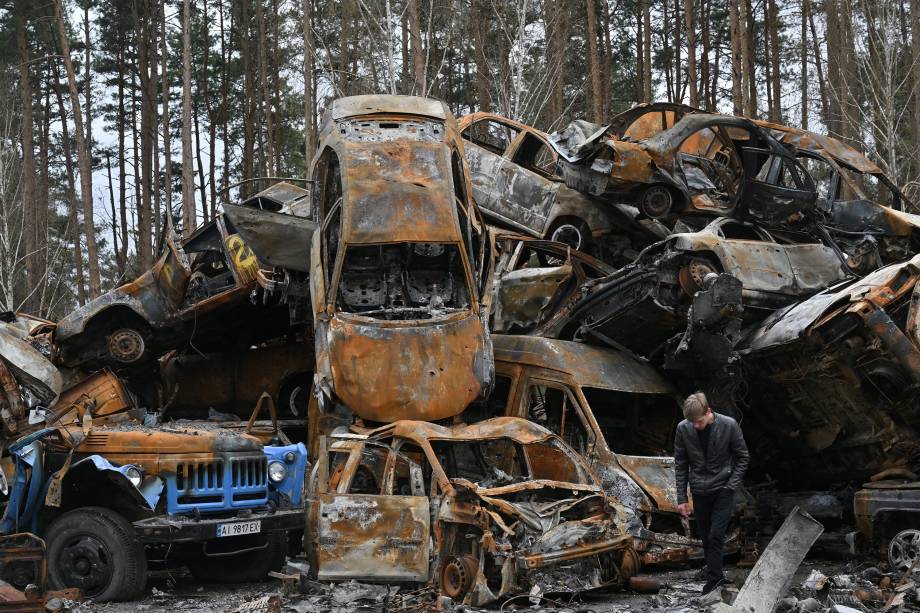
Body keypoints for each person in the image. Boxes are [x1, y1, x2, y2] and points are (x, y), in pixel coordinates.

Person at [674, 392, 749, 596]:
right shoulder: (683, 428)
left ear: (708, 412)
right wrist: (682, 498)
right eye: (692, 422)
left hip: (723, 489)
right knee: (707, 538)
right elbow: (680, 464)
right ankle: (716, 574)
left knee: (716, 536)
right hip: (699, 490)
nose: (696, 426)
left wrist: (731, 486)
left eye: (699, 421)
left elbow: (743, 457)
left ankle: (713, 581)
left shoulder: (729, 425)